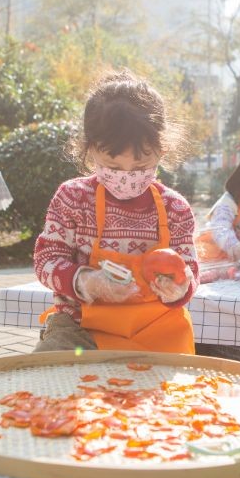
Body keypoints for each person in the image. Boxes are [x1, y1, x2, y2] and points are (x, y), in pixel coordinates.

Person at [33, 71, 198, 354]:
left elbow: (190, 271)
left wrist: (180, 287)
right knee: (44, 372)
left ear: (162, 149)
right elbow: (46, 260)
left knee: (178, 383)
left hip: (156, 331)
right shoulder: (73, 198)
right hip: (80, 330)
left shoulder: (175, 209)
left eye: (140, 167)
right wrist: (85, 280)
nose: (126, 177)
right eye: (113, 166)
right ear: (90, 150)